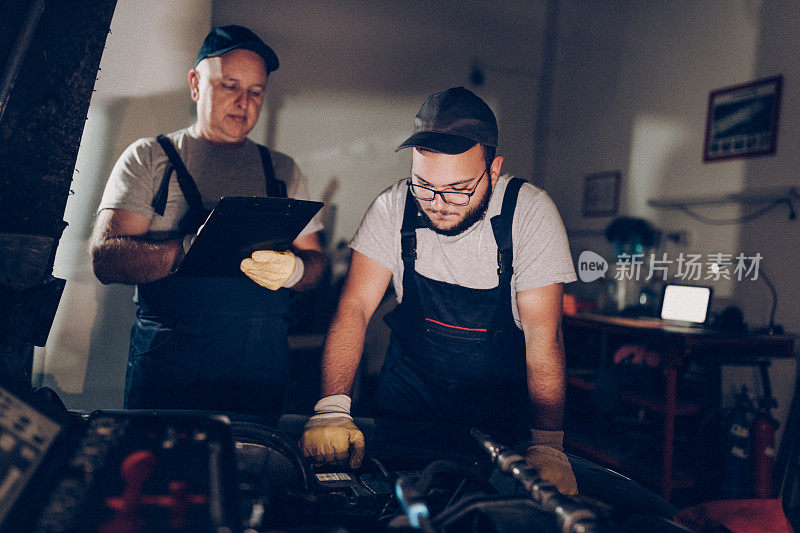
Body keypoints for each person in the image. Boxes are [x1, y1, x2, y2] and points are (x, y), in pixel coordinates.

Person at [299, 86, 579, 494]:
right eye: (423, 185)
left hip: (497, 406)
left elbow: (543, 335)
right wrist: (332, 407)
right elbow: (355, 307)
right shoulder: (393, 207)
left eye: (459, 188)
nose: (438, 203)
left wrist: (549, 444)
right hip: (409, 398)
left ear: (494, 169)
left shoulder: (530, 214)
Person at [90, 25, 325, 417]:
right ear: (196, 84)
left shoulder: (282, 170)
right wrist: (186, 249)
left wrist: (295, 269)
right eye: (230, 85)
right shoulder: (149, 158)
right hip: (170, 375)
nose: (243, 102)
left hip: (260, 374)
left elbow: (317, 266)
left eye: (256, 91)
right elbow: (106, 260)